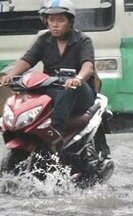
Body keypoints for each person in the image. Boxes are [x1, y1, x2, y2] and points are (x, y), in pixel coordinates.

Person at [0, 0, 100, 149]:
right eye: (51, 20)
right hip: (52, 87)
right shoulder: (44, 39)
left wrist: (78, 79)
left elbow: (88, 65)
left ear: (70, 21)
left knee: (69, 91)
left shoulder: (82, 40)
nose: (55, 24)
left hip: (80, 91)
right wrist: (10, 75)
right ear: (45, 21)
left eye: (60, 20)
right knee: (28, 93)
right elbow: (27, 60)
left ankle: (56, 132)